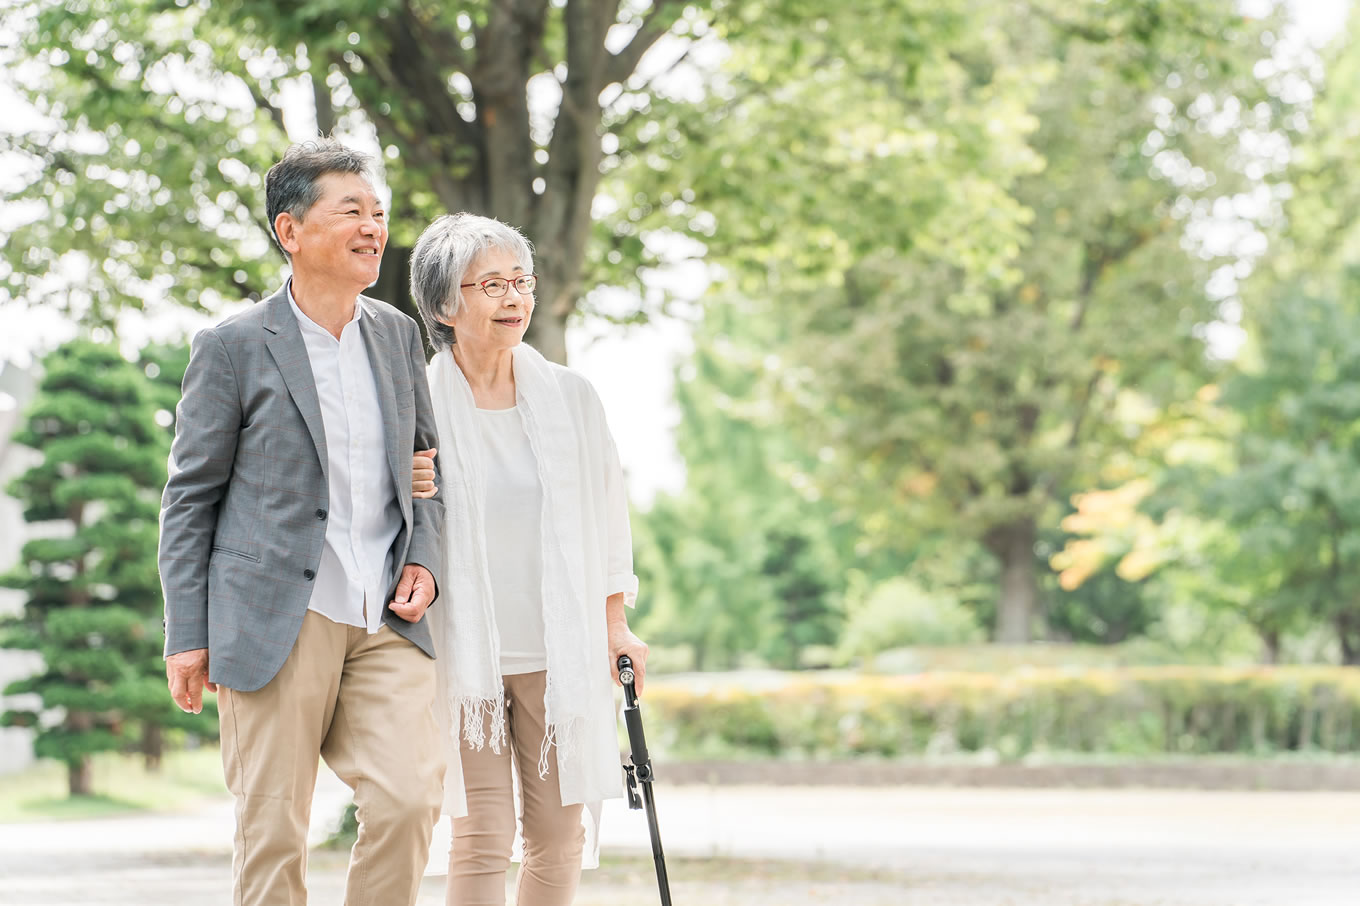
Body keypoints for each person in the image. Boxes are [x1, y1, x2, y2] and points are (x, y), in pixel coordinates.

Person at [158, 139, 446, 906]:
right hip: (274, 616)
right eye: (349, 211)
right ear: (290, 231)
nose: (372, 229)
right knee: (274, 831)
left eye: (377, 214)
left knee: (410, 799)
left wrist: (428, 559)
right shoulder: (233, 347)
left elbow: (428, 469)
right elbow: (189, 498)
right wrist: (187, 631)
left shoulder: (395, 335)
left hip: (385, 610)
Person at [407, 212, 648, 906]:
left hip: (557, 656)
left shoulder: (570, 398)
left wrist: (614, 626)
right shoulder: (418, 405)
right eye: (491, 284)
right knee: (481, 837)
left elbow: (607, 523)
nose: (514, 298)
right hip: (463, 661)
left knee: (556, 837)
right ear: (445, 306)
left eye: (521, 281)